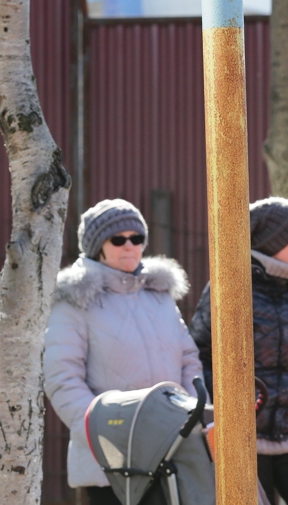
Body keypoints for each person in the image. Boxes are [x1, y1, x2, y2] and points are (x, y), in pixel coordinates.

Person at [43, 199, 202, 505]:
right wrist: (102, 429)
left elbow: (188, 359)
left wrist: (188, 415)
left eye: (137, 238)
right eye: (118, 239)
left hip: (171, 451)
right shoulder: (75, 300)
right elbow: (61, 378)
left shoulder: (160, 296)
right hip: (110, 460)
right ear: (97, 246)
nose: (129, 246)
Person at [189, 197, 288, 505]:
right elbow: (200, 355)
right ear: (275, 242)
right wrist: (228, 403)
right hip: (242, 443)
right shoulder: (230, 287)